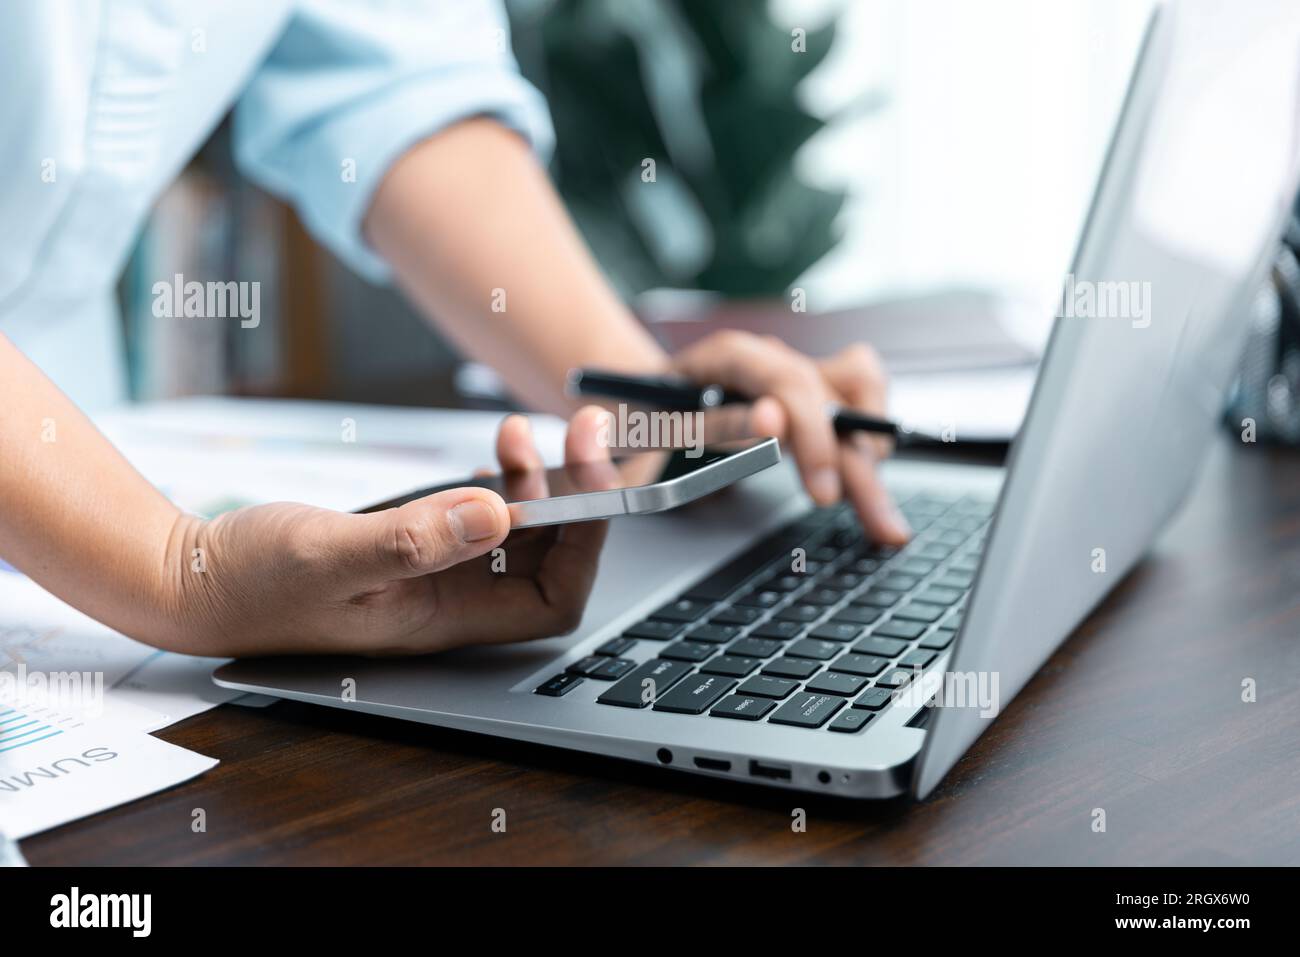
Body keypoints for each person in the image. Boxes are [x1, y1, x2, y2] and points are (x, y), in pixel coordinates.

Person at [0, 1, 907, 658]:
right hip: (90, 533)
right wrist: (172, 570)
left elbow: (396, 80)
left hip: (62, 452)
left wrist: (648, 403)